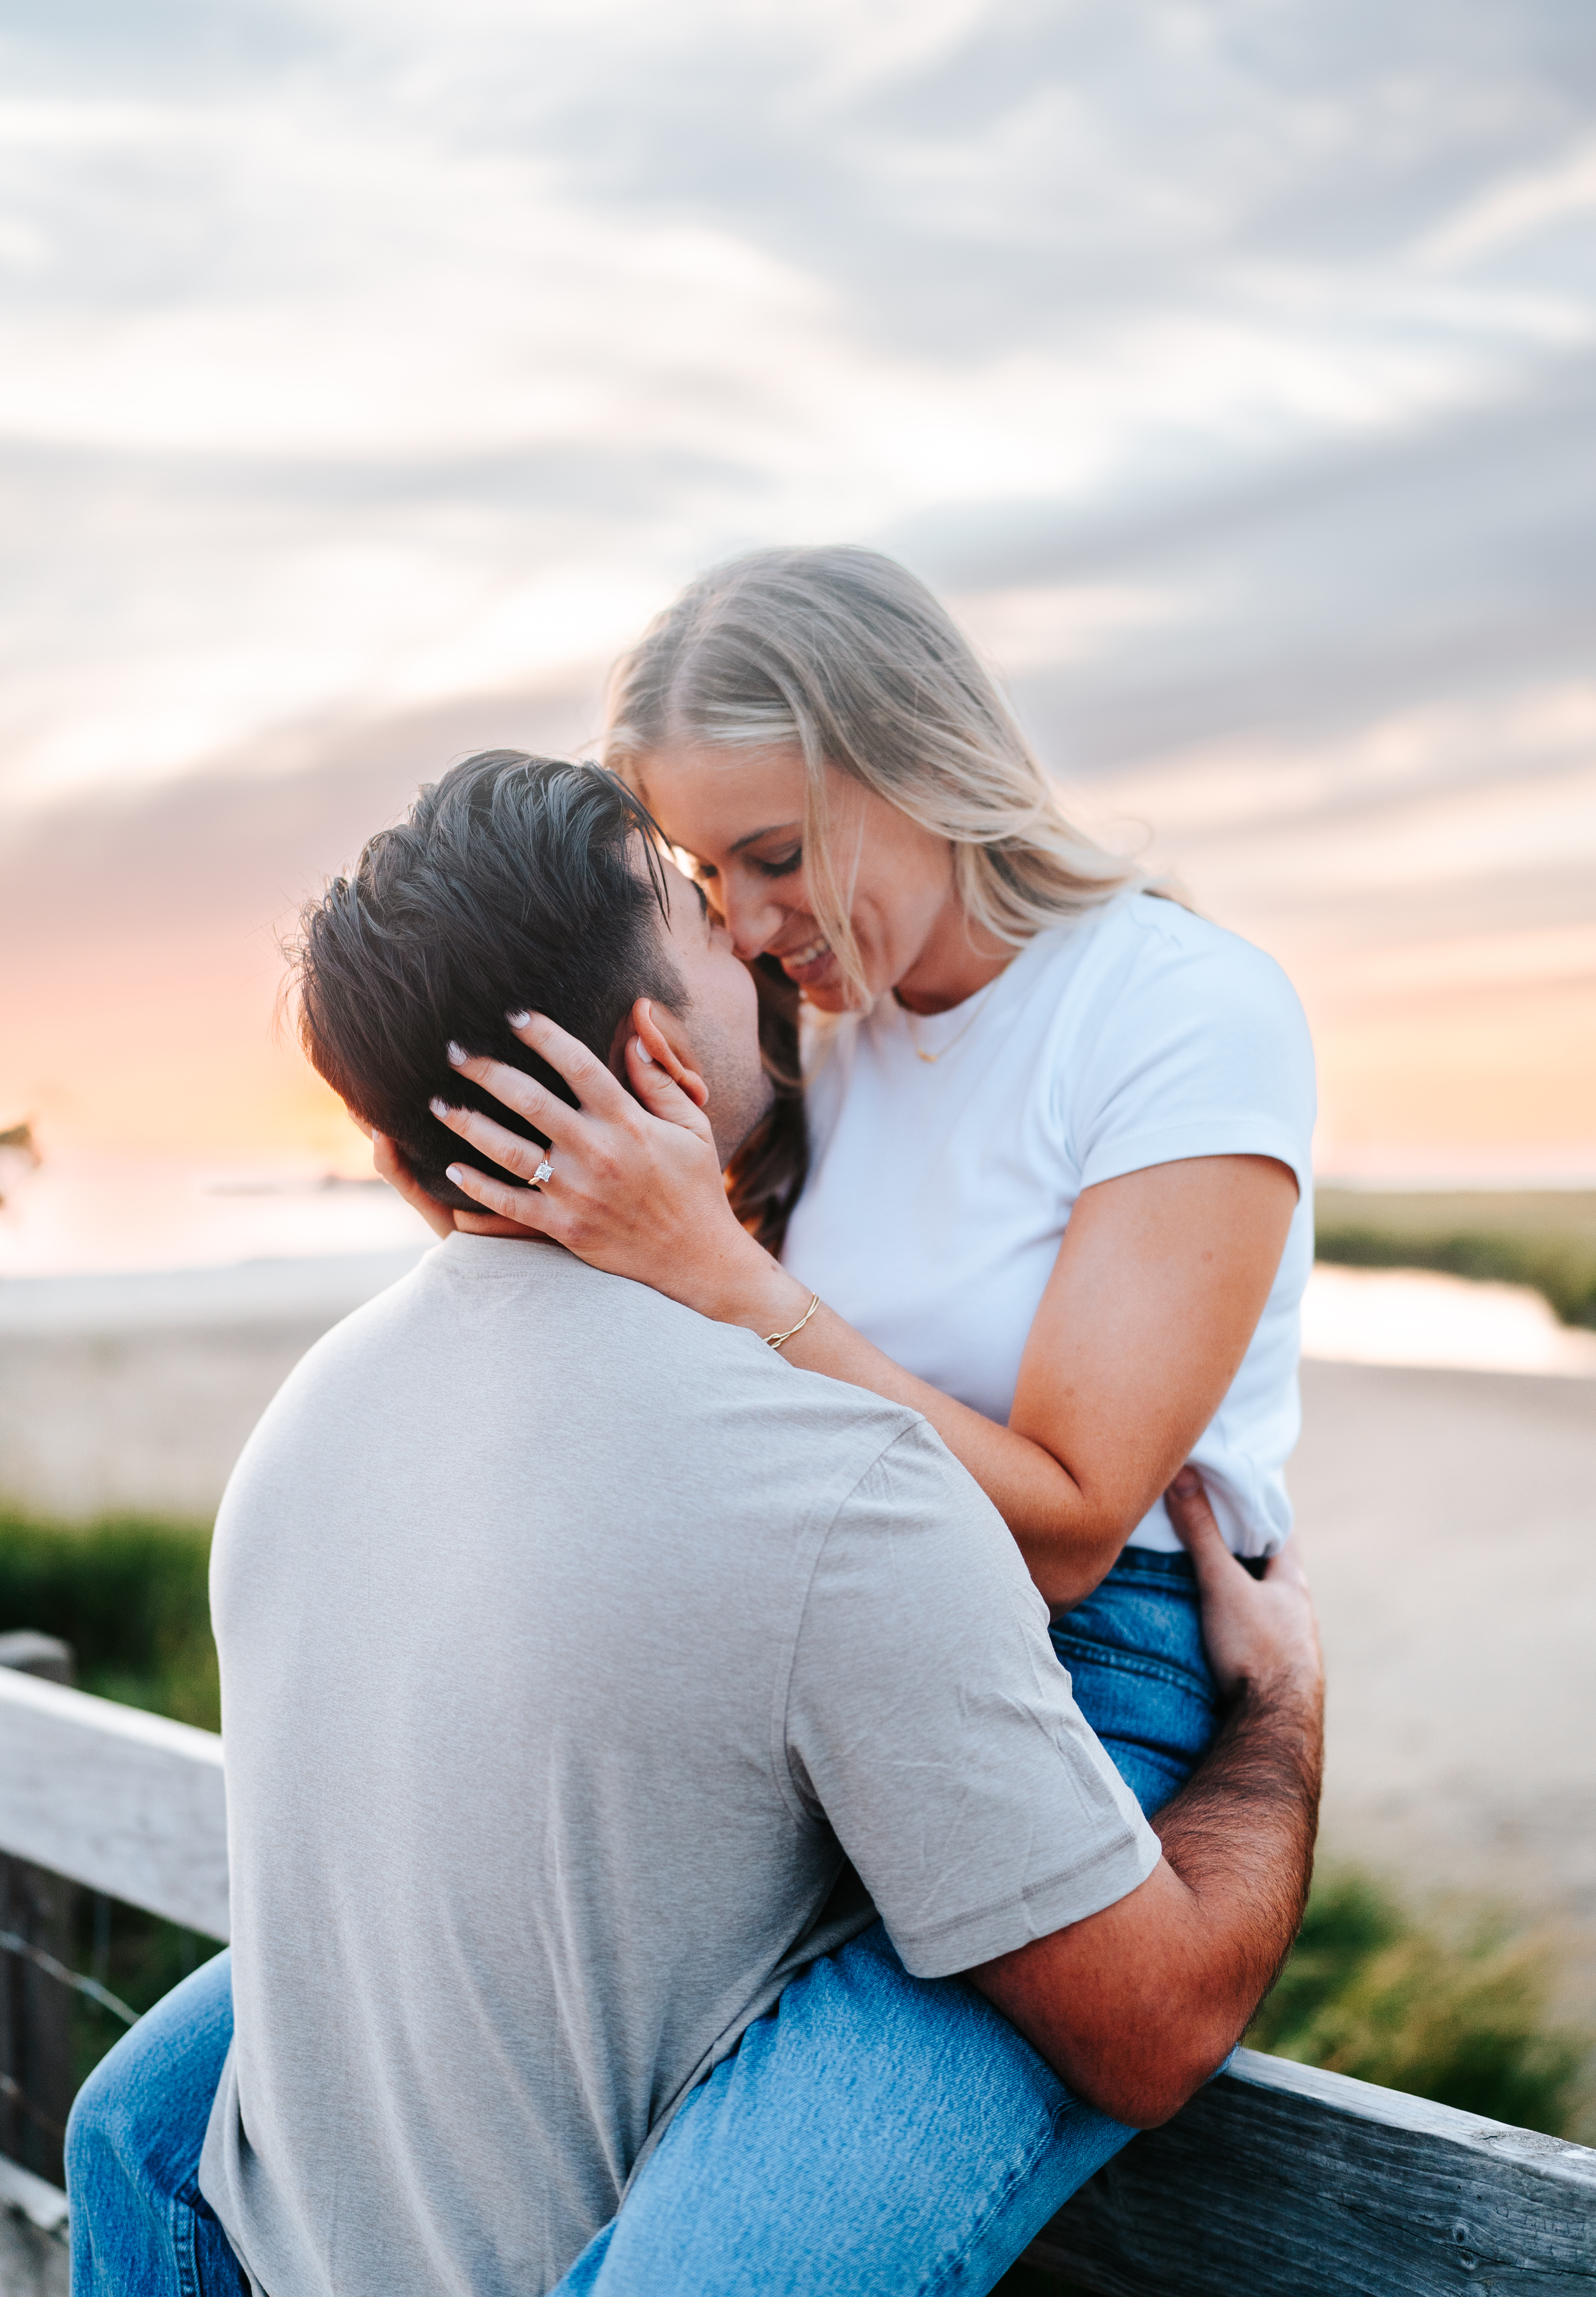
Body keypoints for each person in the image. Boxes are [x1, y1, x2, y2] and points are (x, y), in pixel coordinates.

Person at [65, 751, 1323, 2297]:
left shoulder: (298, 1438)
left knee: (131, 2121)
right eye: (705, 915)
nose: (757, 943)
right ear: (657, 1053)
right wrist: (1281, 1706)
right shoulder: (837, 1488)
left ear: (395, 1157)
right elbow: (1150, 2028)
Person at [429, 545, 1316, 1823]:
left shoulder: (1177, 1008)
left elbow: (1071, 1533)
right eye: (706, 873)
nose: (739, 926)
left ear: (926, 764)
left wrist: (714, 1267)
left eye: (776, 855)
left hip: (1098, 1658)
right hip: (822, 1622)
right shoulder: (819, 1031)